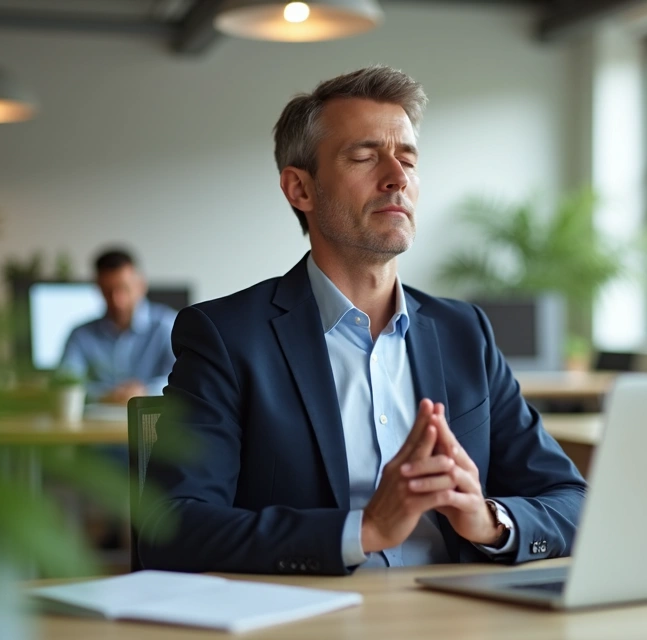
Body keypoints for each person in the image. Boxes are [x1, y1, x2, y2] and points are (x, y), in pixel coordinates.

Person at [138, 66, 586, 575]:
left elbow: (572, 499)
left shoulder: (466, 333)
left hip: (461, 616)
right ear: (300, 189)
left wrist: (486, 520)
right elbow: (169, 527)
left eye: (408, 159)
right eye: (365, 156)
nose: (397, 176)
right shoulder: (226, 337)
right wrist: (364, 530)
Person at [59, 248, 177, 404]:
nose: (117, 300)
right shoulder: (80, 334)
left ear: (140, 285)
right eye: (108, 291)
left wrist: (145, 391)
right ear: (98, 289)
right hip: (96, 426)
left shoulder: (169, 326)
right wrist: (106, 394)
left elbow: (185, 380)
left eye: (124, 289)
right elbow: (66, 382)